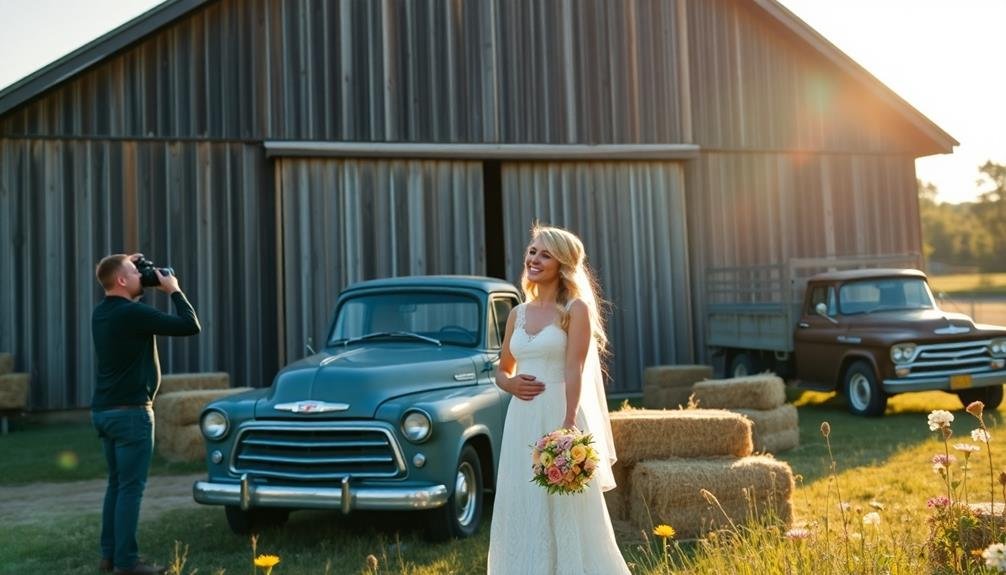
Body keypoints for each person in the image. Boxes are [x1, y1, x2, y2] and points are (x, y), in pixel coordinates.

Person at [487, 224, 629, 574]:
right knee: (523, 500)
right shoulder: (518, 313)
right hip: (521, 420)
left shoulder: (574, 309)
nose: (534, 259)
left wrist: (568, 426)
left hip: (558, 416)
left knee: (565, 508)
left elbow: (574, 369)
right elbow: (501, 368)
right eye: (533, 251)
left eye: (545, 254)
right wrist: (511, 385)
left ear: (562, 264)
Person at [91, 254, 201, 575]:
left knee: (116, 484)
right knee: (130, 489)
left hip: (104, 411)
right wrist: (174, 290)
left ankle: (108, 556)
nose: (143, 276)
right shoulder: (133, 313)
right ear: (122, 281)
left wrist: (129, 261)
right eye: (134, 273)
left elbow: (115, 272)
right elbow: (190, 325)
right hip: (132, 415)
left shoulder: (102, 313)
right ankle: (127, 564)